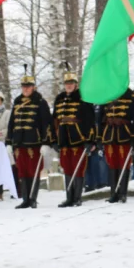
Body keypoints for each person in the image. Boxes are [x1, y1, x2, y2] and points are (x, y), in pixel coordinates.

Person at [8, 74, 52, 209]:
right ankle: (25, 199)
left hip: (34, 142)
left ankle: (33, 199)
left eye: (28, 87)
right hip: (19, 142)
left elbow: (47, 124)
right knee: (22, 171)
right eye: (24, 87)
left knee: (34, 170)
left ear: (33, 87)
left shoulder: (40, 102)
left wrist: (46, 142)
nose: (26, 89)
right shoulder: (17, 101)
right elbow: (11, 123)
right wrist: (9, 142)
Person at [53, 68, 95, 208]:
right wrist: (54, 139)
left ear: (76, 84)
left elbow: (90, 120)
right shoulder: (59, 98)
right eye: (67, 83)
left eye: (71, 83)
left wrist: (90, 139)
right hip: (63, 137)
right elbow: (55, 120)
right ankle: (69, 197)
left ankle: (77, 197)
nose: (69, 85)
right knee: (67, 167)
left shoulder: (83, 98)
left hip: (79, 137)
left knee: (78, 167)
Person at [100, 88, 134, 204]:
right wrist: (100, 135)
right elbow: (101, 118)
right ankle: (114, 193)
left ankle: (123, 194)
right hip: (109, 134)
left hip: (125, 133)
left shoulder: (132, 97)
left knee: (124, 164)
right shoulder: (107, 95)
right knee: (112, 163)